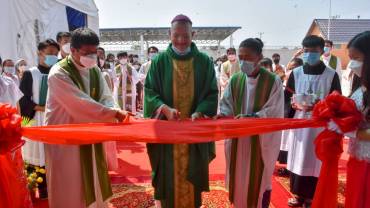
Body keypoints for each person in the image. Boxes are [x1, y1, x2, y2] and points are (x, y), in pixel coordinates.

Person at [44, 28, 128, 208]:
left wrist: (114, 108)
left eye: (94, 52)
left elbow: (106, 97)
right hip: (67, 139)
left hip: (91, 135)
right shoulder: (58, 73)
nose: (91, 57)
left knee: (93, 177)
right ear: (72, 50)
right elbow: (80, 104)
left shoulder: (94, 70)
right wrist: (113, 114)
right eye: (86, 53)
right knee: (70, 184)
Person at [144, 14, 218, 208]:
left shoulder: (204, 61)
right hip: (168, 134)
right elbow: (150, 92)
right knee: (168, 178)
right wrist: (164, 108)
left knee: (191, 180)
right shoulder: (159, 61)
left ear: (193, 34)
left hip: (194, 133)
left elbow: (212, 92)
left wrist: (200, 112)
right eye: (176, 35)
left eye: (185, 36)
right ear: (169, 34)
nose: (181, 40)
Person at [219, 38, 284, 208]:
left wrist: (252, 118)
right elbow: (226, 105)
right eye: (241, 57)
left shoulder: (273, 81)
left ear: (259, 57)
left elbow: (274, 110)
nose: (243, 61)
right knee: (239, 178)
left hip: (261, 141)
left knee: (259, 181)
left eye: (248, 57)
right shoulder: (235, 80)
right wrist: (223, 115)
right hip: (238, 140)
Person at [285, 35, 341, 207]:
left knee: (314, 160)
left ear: (322, 51)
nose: (309, 55)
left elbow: (337, 101)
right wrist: (293, 105)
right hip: (300, 123)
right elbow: (287, 96)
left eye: (313, 51)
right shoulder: (296, 73)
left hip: (319, 125)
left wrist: (321, 105)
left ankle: (312, 197)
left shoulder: (331, 75)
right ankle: (298, 195)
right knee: (298, 157)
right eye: (306, 51)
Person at [329, 30, 370, 208]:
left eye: (357, 58)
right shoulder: (362, 86)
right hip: (358, 157)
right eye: (350, 57)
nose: (352, 64)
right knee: (355, 198)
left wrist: (351, 131)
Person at [19, 39, 60, 168]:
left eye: (55, 54)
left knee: (55, 154)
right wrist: (41, 108)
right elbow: (23, 100)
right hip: (35, 118)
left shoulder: (59, 73)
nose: (53, 56)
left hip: (55, 118)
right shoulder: (30, 73)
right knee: (35, 154)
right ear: (40, 53)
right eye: (50, 53)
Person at [277, 57, 304, 177]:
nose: (291, 71)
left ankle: (291, 169)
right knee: (287, 143)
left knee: (294, 145)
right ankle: (288, 167)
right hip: (286, 115)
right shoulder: (284, 81)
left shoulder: (301, 81)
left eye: (294, 68)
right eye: (289, 68)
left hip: (296, 116)